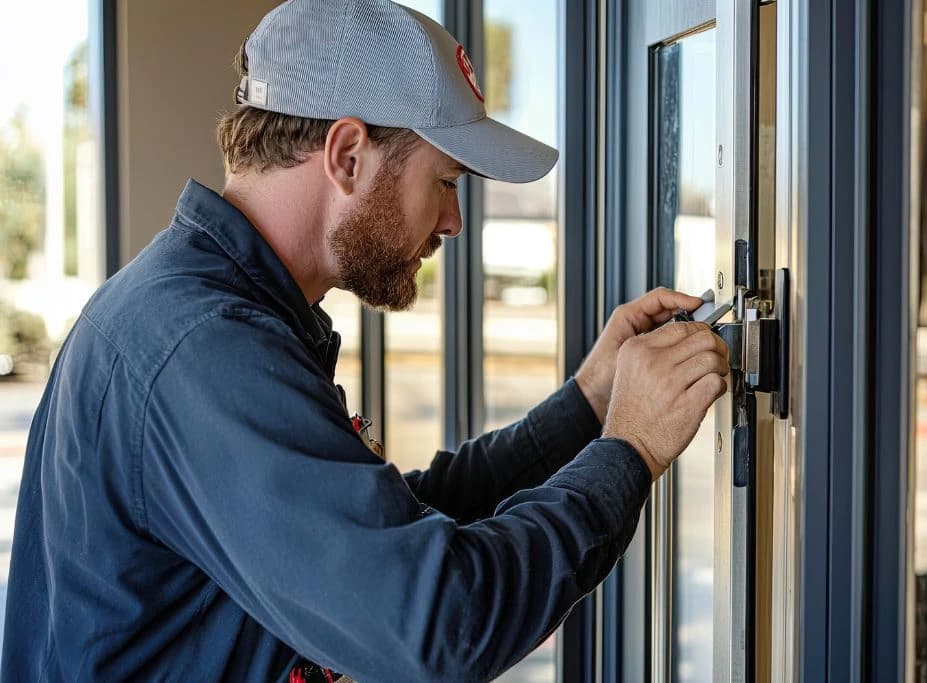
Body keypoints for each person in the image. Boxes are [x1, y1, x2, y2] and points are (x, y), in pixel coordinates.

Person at [1, 0, 729, 681]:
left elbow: (381, 533)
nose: (454, 222)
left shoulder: (212, 311)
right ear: (347, 154)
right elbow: (440, 621)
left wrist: (590, 405)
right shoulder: (206, 348)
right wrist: (629, 450)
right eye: (445, 182)